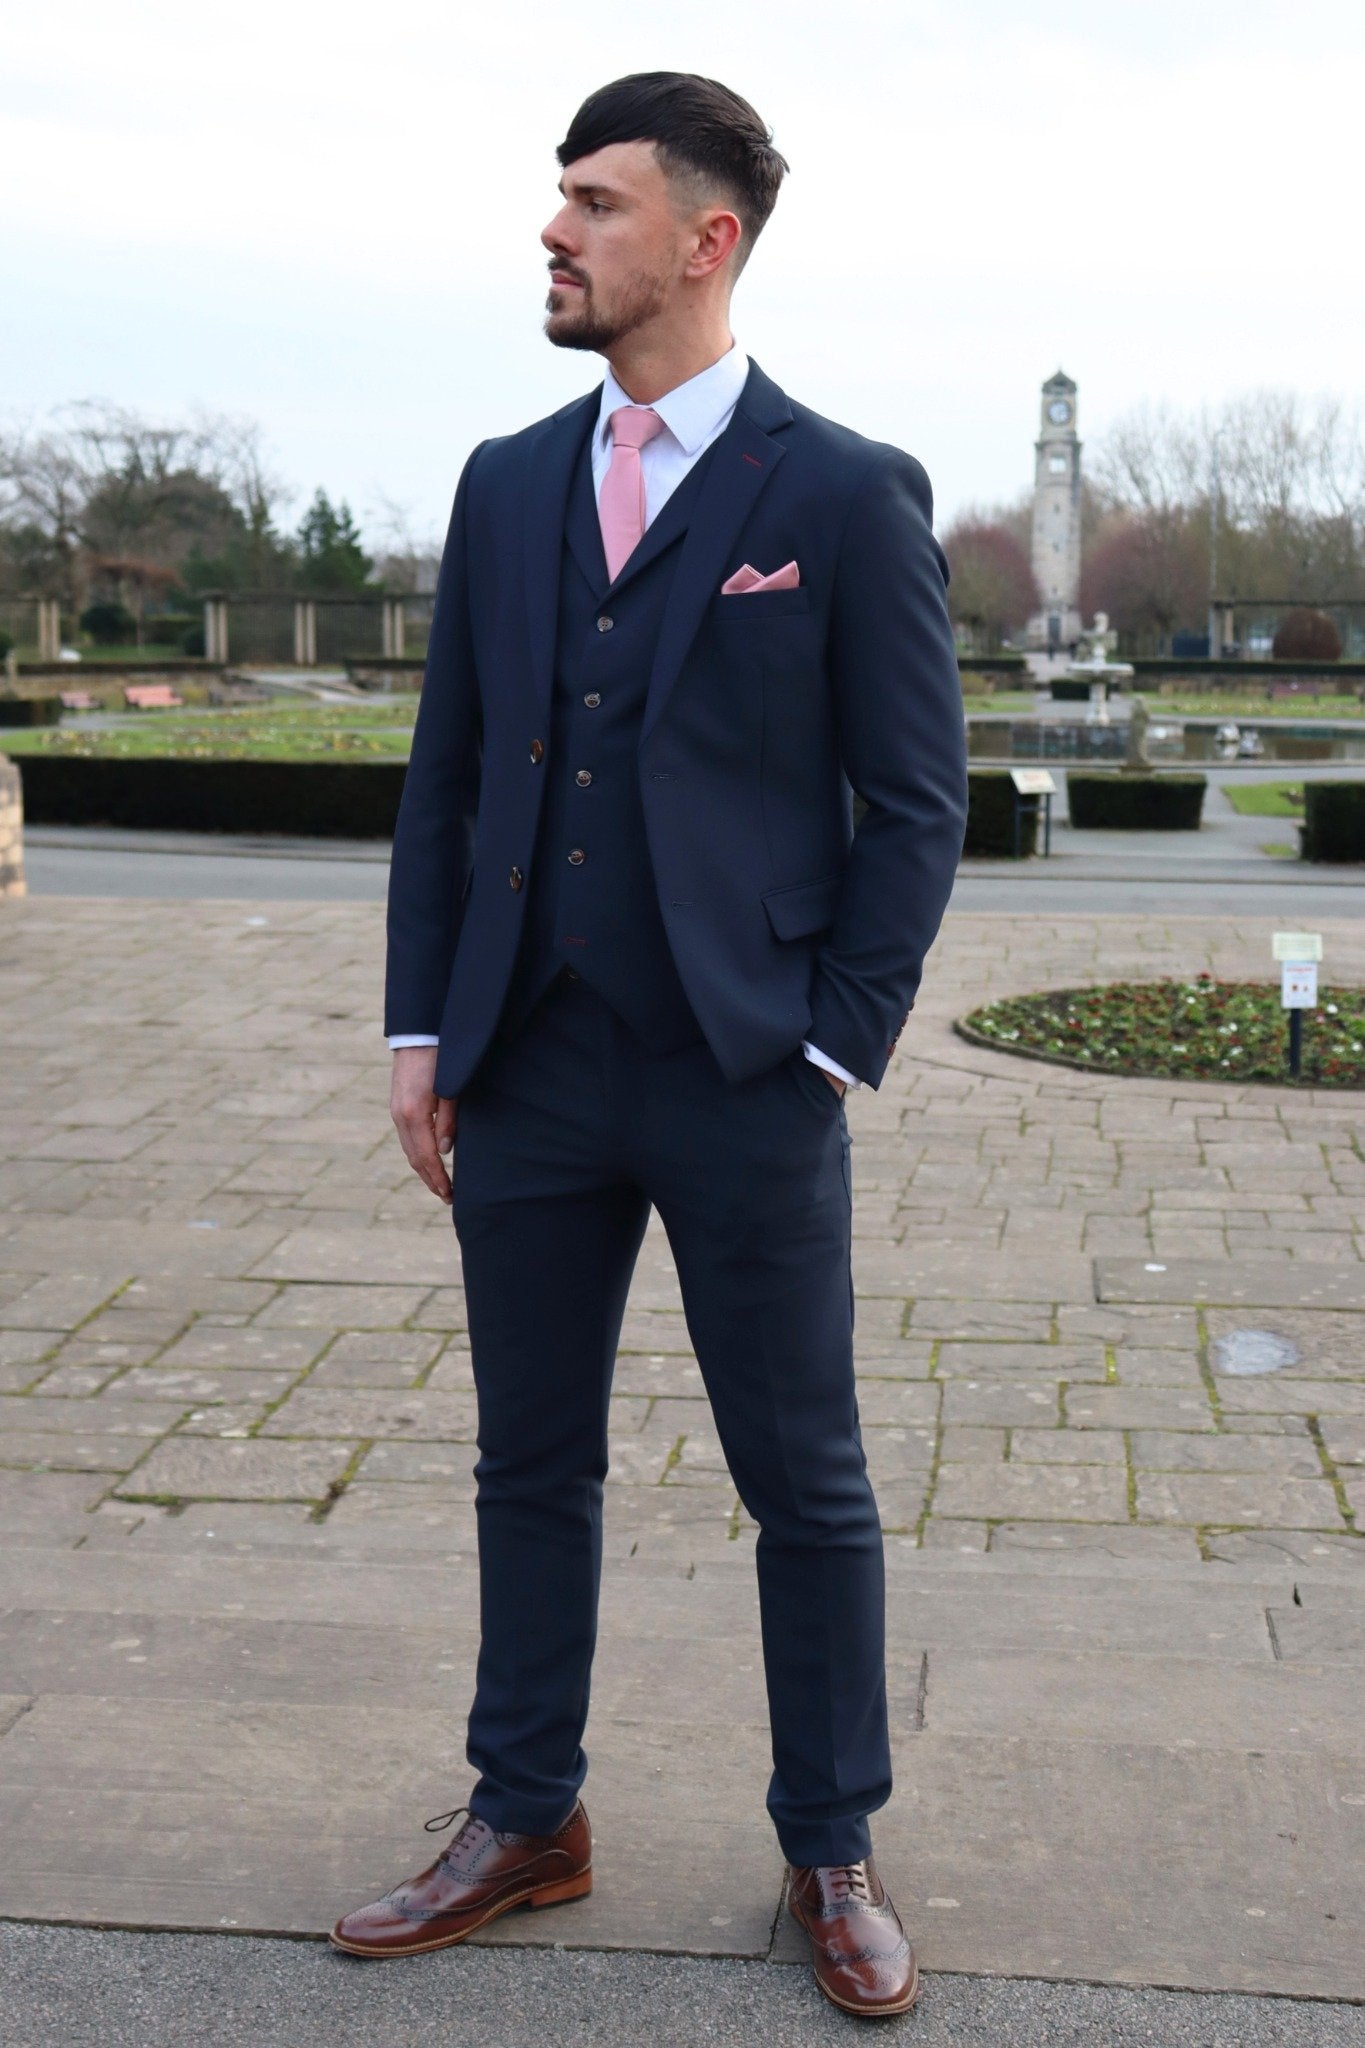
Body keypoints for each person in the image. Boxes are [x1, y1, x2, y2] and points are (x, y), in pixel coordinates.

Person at [331, 71, 967, 2020]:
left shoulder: (839, 492)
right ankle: (525, 1813)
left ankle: (828, 1839)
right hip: (524, 1059)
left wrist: (833, 1046)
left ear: (704, 241)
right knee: (527, 1459)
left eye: (594, 205)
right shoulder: (507, 483)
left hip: (740, 1066)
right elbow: (445, 778)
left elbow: (914, 799)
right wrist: (423, 1023)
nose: (553, 231)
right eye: (557, 200)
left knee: (806, 1476)